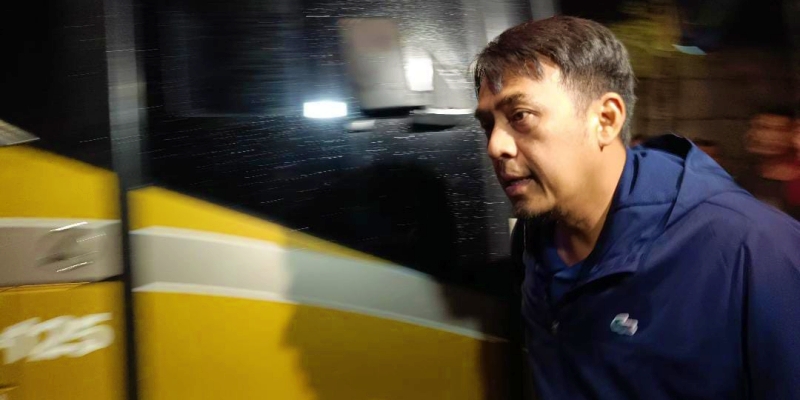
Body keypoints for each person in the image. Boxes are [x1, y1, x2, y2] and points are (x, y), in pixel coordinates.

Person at [472, 16, 800, 399]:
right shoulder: (534, 237)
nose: (495, 146)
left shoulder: (754, 250)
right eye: (488, 125)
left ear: (606, 119)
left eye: (520, 116)